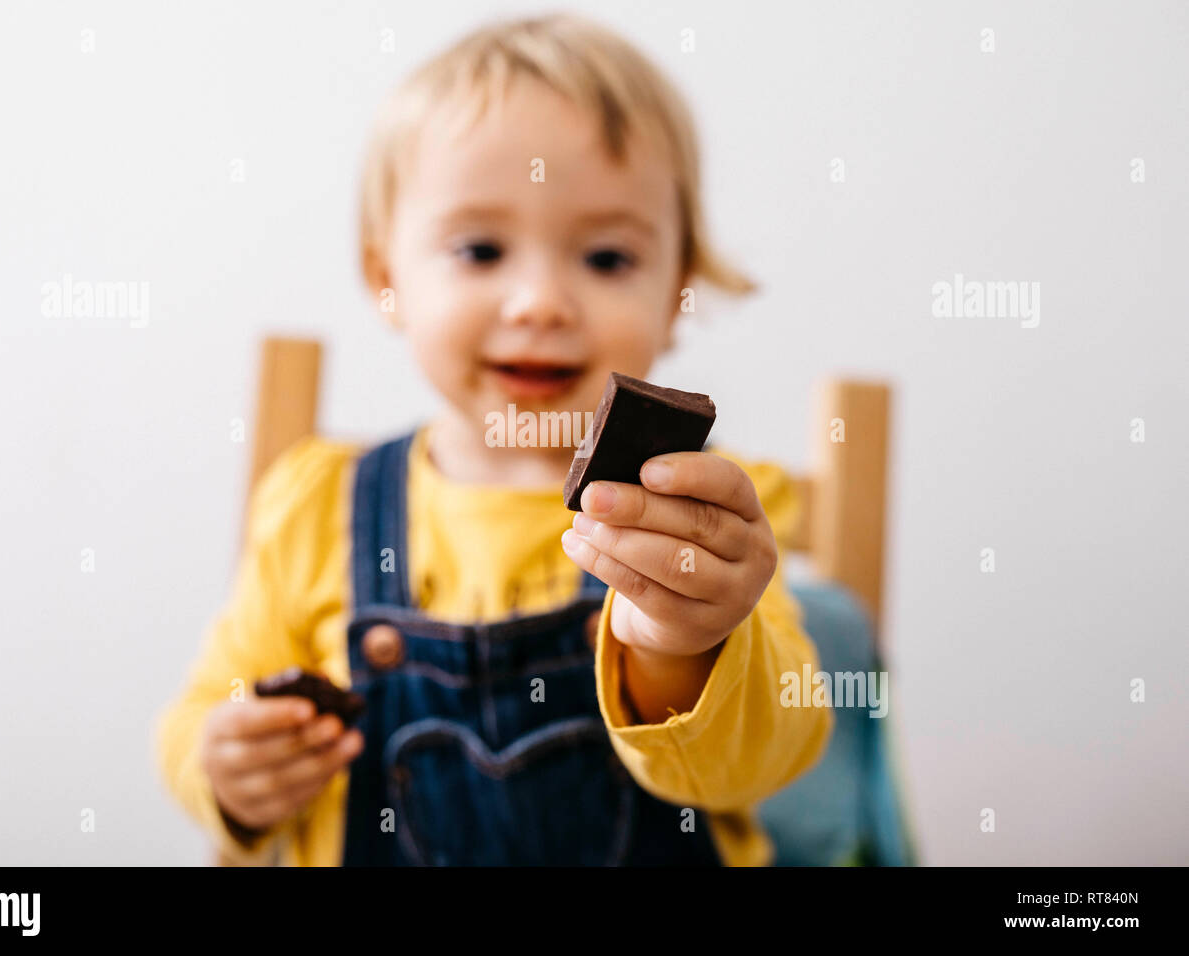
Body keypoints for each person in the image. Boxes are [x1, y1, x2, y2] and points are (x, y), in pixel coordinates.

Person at [155, 12, 832, 866]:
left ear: (677, 294)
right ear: (387, 280)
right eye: (481, 249)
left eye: (607, 259)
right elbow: (199, 710)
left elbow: (760, 765)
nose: (540, 302)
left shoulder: (708, 513)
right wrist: (227, 768)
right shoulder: (317, 504)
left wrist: (686, 644)